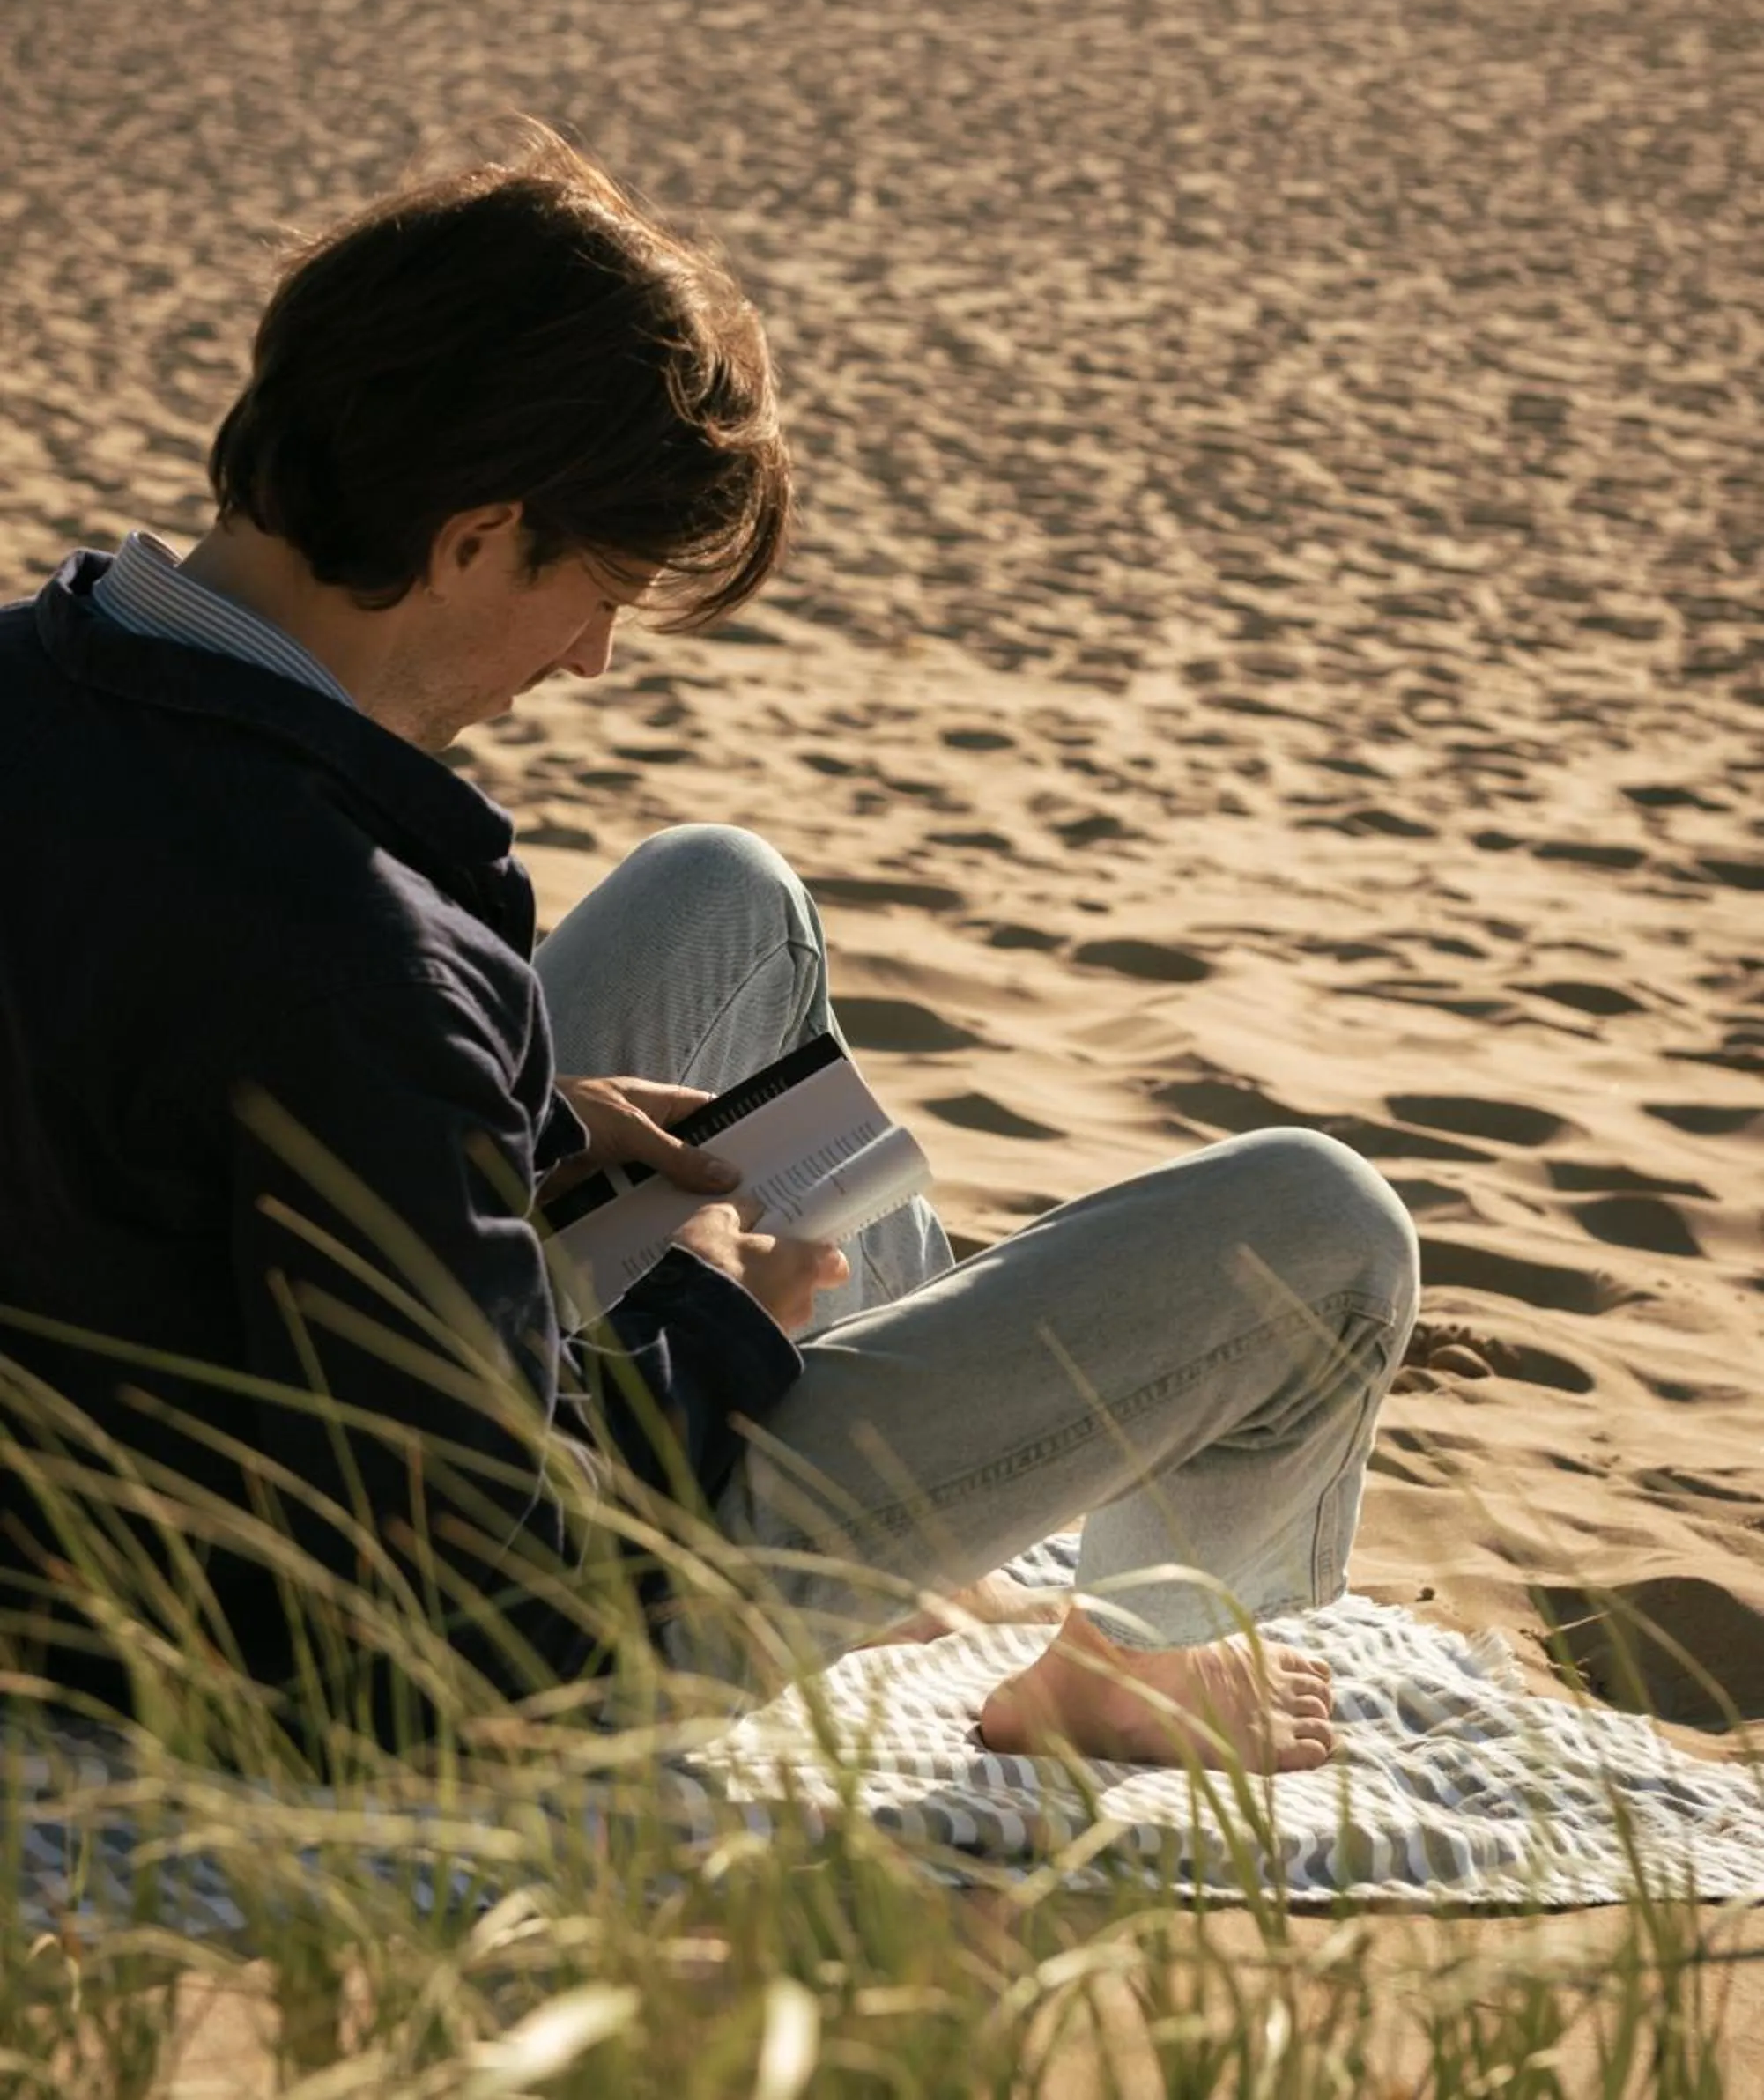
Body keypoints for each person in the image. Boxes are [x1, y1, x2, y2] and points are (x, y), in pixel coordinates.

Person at [0, 130, 1419, 1773]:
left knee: (717, 897)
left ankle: (916, 1514)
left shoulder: (44, 686)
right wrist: (716, 1319)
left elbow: (142, 1076)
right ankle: (1130, 1668)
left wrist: (513, 1128)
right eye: (601, 591)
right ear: (475, 537)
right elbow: (499, 1599)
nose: (592, 659)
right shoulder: (354, 948)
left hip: (157, 1437)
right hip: (376, 1662)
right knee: (1321, 1229)